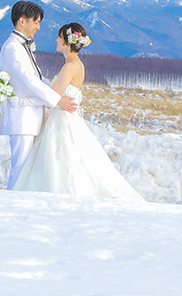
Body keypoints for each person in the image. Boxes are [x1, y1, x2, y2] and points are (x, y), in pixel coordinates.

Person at [12, 23, 144, 200]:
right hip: (64, 118)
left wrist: (21, 101)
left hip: (62, 121)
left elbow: (53, 96)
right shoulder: (74, 64)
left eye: (59, 37)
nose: (56, 40)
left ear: (67, 42)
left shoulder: (70, 66)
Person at [0, 1, 78, 190]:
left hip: (32, 116)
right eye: (36, 22)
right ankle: (12, 204)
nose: (38, 27)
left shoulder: (22, 46)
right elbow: (28, 80)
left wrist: (54, 90)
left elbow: (38, 77)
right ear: (22, 21)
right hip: (22, 118)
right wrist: (57, 100)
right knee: (20, 169)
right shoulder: (12, 48)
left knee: (28, 170)